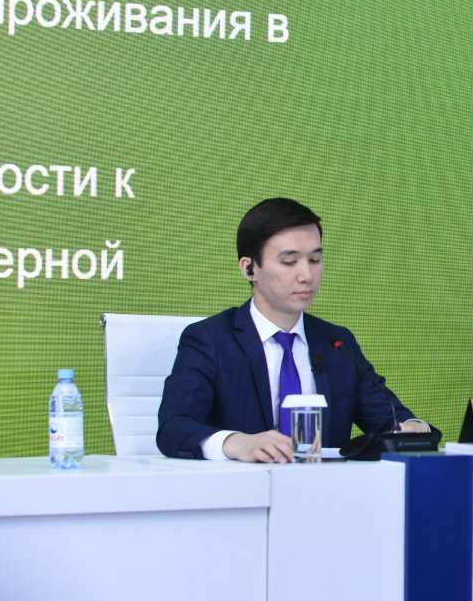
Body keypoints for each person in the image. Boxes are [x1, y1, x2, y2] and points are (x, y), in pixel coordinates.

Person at [157, 198, 429, 462]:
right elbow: (174, 427)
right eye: (289, 261)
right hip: (243, 488)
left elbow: (392, 419)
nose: (307, 275)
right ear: (249, 268)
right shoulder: (210, 339)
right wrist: (238, 443)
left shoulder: (337, 343)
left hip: (324, 487)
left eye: (315, 259)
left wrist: (413, 427)